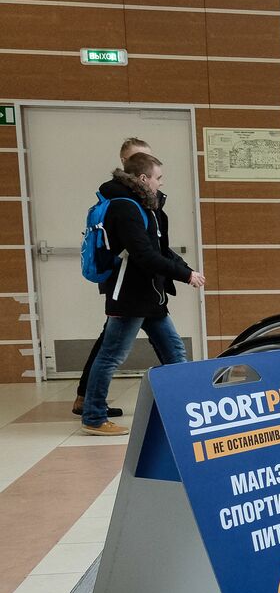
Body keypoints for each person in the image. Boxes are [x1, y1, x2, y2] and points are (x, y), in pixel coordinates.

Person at [81, 152, 206, 436]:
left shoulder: (144, 205)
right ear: (142, 178)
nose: (160, 183)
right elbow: (144, 255)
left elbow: (159, 249)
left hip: (150, 295)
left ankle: (184, 410)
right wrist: (185, 275)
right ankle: (93, 416)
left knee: (174, 351)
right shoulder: (125, 208)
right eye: (157, 178)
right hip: (130, 295)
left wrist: (184, 268)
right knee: (111, 355)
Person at [73, 137, 152, 417]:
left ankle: (88, 399)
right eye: (136, 159)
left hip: (142, 285)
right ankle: (90, 405)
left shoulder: (137, 196)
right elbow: (141, 247)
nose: (144, 165)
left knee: (114, 344)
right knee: (110, 348)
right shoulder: (122, 199)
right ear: (124, 164)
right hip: (127, 284)